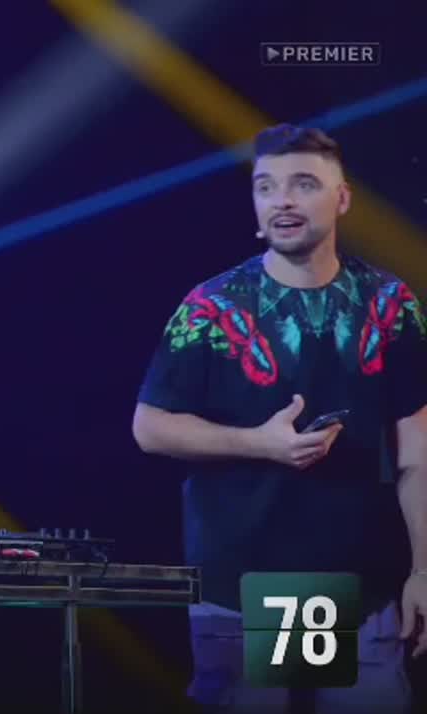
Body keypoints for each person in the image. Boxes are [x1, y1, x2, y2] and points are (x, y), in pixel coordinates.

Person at [132, 124, 427, 713]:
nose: (282, 200)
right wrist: (259, 444)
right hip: (242, 585)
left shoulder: (390, 304)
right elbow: (150, 426)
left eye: (303, 184)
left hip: (362, 585)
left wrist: (424, 571)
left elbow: (417, 452)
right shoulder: (211, 307)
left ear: (342, 198)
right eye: (266, 187)